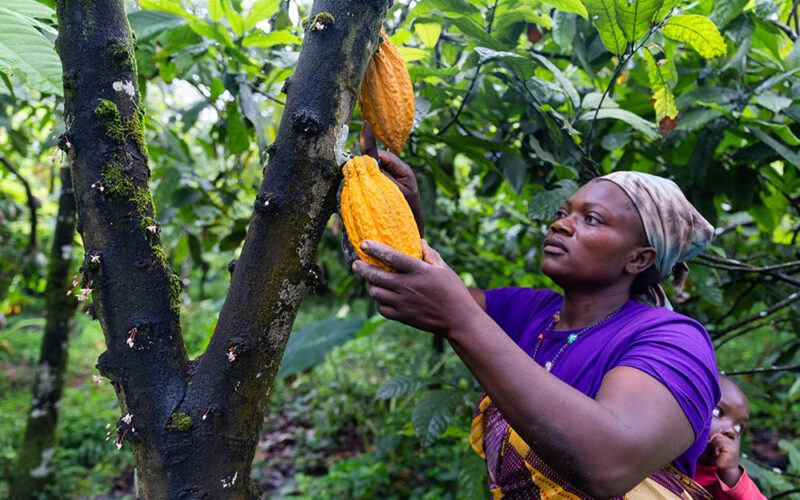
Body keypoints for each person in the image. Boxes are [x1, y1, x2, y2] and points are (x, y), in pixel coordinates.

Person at [352, 149, 721, 499]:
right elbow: (424, 293)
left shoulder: (673, 339)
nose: (561, 224)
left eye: (591, 219)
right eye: (563, 212)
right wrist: (395, 207)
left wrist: (461, 321)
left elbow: (610, 463)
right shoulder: (530, 310)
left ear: (639, 259)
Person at [695, 375, 767, 499]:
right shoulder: (660, 450)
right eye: (718, 413)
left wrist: (731, 473)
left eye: (738, 427)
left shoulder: (721, 483)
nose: (731, 431)